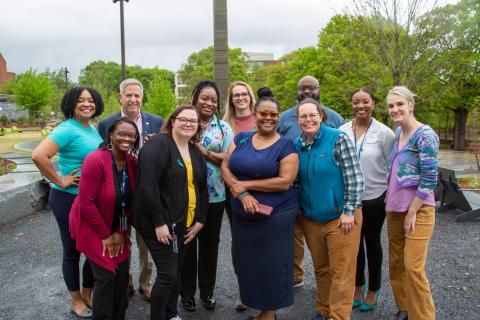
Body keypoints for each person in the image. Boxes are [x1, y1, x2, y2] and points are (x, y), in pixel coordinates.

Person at [221, 90, 299, 320]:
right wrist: (242, 193)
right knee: (249, 265)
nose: (268, 118)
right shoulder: (241, 138)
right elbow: (226, 167)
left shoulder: (286, 145)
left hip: (275, 217)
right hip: (243, 217)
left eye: (273, 114)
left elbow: (285, 181)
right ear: (254, 115)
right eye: (263, 113)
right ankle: (259, 309)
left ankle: (269, 314)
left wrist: (245, 184)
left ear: (278, 117)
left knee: (272, 265)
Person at [32, 87, 104, 318]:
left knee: (94, 249)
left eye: (91, 101)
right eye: (81, 100)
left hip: (91, 199)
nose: (87, 104)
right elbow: (39, 155)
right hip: (68, 199)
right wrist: (60, 180)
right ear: (71, 104)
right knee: (72, 250)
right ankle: (76, 301)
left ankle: (87, 293)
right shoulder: (67, 129)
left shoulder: (91, 128)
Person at [133, 105, 208, 320]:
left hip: (185, 223)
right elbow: (148, 186)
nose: (188, 124)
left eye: (193, 121)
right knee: (168, 274)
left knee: (176, 273)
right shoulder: (158, 144)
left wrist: (201, 220)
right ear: (173, 121)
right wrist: (159, 223)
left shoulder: (194, 149)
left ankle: (171, 313)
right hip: (159, 225)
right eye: (183, 119)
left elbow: (202, 187)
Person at [294, 98, 364, 320]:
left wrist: (349, 210)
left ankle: (338, 316)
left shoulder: (337, 138)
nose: (308, 120)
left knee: (341, 271)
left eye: (312, 115)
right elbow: (296, 182)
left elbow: (355, 178)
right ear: (297, 120)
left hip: (341, 217)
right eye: (303, 116)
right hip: (311, 219)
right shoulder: (297, 145)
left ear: (321, 116)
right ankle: (324, 310)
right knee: (321, 269)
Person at [98, 78, 163, 301]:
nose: (133, 99)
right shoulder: (106, 123)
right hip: (119, 192)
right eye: (129, 95)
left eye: (137, 95)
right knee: (120, 237)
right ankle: (124, 282)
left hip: (147, 191)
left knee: (147, 241)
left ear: (142, 97)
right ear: (120, 97)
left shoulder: (156, 121)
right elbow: (102, 154)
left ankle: (146, 284)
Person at [277, 75, 345, 288]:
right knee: (294, 235)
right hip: (293, 186)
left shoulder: (335, 118)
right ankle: (296, 276)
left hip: (326, 192)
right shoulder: (284, 118)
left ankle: (336, 288)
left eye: (312, 88)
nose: (307, 92)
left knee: (329, 245)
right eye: (302, 88)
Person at [69, 118, 140, 320]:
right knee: (107, 275)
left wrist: (119, 232)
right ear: (110, 135)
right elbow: (86, 202)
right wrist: (105, 234)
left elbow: (131, 200)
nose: (127, 139)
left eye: (131, 136)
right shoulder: (95, 160)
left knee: (122, 272)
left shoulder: (131, 163)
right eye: (122, 134)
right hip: (91, 224)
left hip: (118, 225)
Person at [339, 88, 395, 311]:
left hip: (374, 197)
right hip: (350, 198)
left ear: (373, 103)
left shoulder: (384, 133)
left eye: (365, 101)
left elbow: (392, 167)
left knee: (371, 243)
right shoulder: (342, 130)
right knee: (353, 246)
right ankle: (357, 285)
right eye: (356, 102)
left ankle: (373, 289)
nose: (360, 106)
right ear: (351, 104)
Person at [385, 86, 438, 320]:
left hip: (418, 209)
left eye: (399, 104)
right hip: (394, 207)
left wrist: (412, 211)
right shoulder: (397, 133)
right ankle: (405, 308)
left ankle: (424, 316)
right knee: (396, 263)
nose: (395, 109)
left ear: (410, 105)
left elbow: (430, 178)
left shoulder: (425, 135)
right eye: (390, 106)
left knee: (413, 267)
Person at [180, 80, 233, 312]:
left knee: (210, 246)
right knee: (187, 245)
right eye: (204, 98)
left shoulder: (223, 128)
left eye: (213, 100)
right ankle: (187, 294)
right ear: (194, 98)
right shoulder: (183, 122)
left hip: (215, 196)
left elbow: (229, 158)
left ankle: (208, 293)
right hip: (186, 197)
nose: (209, 103)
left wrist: (205, 152)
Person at [222, 80, 257, 311]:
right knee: (240, 240)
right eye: (236, 95)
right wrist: (237, 188)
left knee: (262, 239)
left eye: (244, 94)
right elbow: (225, 160)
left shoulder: (263, 117)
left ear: (250, 96)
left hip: (262, 187)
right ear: (231, 99)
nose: (241, 98)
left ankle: (263, 289)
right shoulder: (225, 124)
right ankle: (244, 290)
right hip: (233, 188)